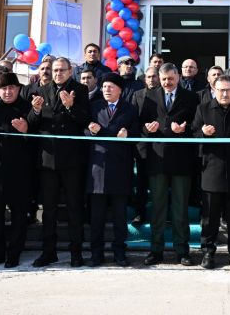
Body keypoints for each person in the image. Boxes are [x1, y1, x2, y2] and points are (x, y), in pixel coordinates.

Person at [28, 56, 90, 267]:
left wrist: (71, 106)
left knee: (74, 207)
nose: (57, 74)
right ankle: (49, 251)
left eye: (62, 70)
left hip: (72, 159)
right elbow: (32, 124)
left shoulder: (80, 90)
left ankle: (76, 252)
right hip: (47, 160)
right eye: (55, 70)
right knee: (49, 209)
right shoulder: (42, 90)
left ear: (70, 71)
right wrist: (35, 111)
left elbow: (85, 119)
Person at [140, 63, 199, 266]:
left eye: (171, 79)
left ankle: (182, 250)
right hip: (157, 159)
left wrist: (186, 128)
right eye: (164, 79)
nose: (167, 83)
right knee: (158, 207)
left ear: (178, 77)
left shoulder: (191, 97)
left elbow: (197, 124)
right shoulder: (149, 96)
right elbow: (140, 124)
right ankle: (156, 250)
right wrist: (148, 128)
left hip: (182, 160)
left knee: (180, 208)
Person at [193, 75, 230, 269]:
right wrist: (203, 133)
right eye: (221, 90)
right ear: (214, 91)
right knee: (209, 217)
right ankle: (208, 253)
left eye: (228, 90)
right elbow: (193, 134)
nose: (225, 94)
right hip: (211, 170)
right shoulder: (203, 109)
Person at [85, 73, 140, 267]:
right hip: (97, 170)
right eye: (104, 86)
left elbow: (137, 132)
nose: (107, 89)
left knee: (119, 216)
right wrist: (90, 130)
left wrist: (129, 133)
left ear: (120, 90)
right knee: (96, 217)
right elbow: (83, 131)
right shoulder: (94, 107)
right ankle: (96, 254)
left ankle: (119, 253)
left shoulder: (130, 109)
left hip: (120, 168)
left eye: (111, 87)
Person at [0, 72, 32, 268]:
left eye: (11, 88)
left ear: (18, 89)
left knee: (19, 215)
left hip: (20, 172)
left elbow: (38, 142)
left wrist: (26, 131)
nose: (7, 92)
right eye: (3, 89)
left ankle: (14, 253)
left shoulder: (27, 109)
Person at [129, 65, 159, 226]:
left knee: (160, 184)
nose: (152, 79)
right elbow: (133, 119)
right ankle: (139, 213)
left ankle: (159, 214)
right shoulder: (137, 95)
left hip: (162, 144)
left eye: (155, 76)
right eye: (149, 77)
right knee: (141, 183)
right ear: (144, 79)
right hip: (143, 145)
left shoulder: (165, 95)